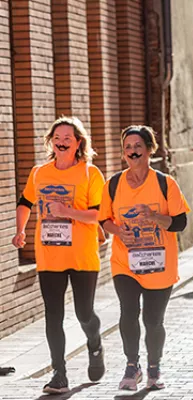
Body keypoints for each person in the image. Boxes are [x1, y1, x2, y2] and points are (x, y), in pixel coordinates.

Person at [12, 117, 105, 394]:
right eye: (57, 137)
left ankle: (95, 343)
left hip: (82, 256)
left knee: (83, 312)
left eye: (68, 137)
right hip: (49, 255)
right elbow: (25, 202)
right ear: (51, 141)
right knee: (53, 314)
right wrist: (20, 231)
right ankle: (59, 373)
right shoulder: (40, 173)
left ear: (78, 143)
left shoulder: (90, 174)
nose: (62, 141)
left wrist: (67, 212)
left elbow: (99, 215)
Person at [99, 125, 190, 390]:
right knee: (128, 312)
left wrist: (154, 217)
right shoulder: (113, 184)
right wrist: (119, 231)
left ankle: (154, 366)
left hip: (159, 263)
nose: (133, 151)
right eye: (128, 147)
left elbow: (180, 222)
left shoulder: (165, 183)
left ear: (149, 149)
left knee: (153, 320)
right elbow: (104, 219)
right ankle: (131, 366)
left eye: (138, 146)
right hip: (125, 262)